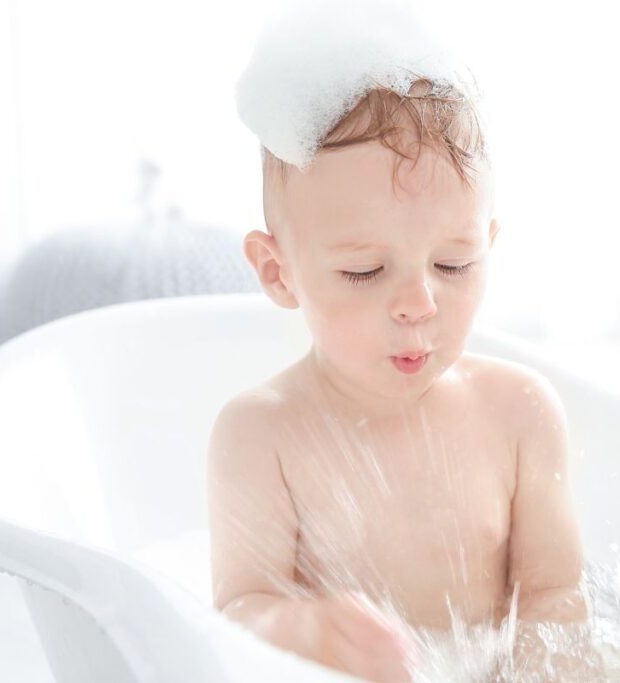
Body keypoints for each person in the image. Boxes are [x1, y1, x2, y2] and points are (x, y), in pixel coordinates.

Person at [207, 7, 586, 682]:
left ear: (488, 246)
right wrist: (300, 628)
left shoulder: (520, 413)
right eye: (364, 271)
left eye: (454, 263)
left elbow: (554, 597)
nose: (420, 303)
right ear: (278, 271)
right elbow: (239, 608)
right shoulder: (261, 435)